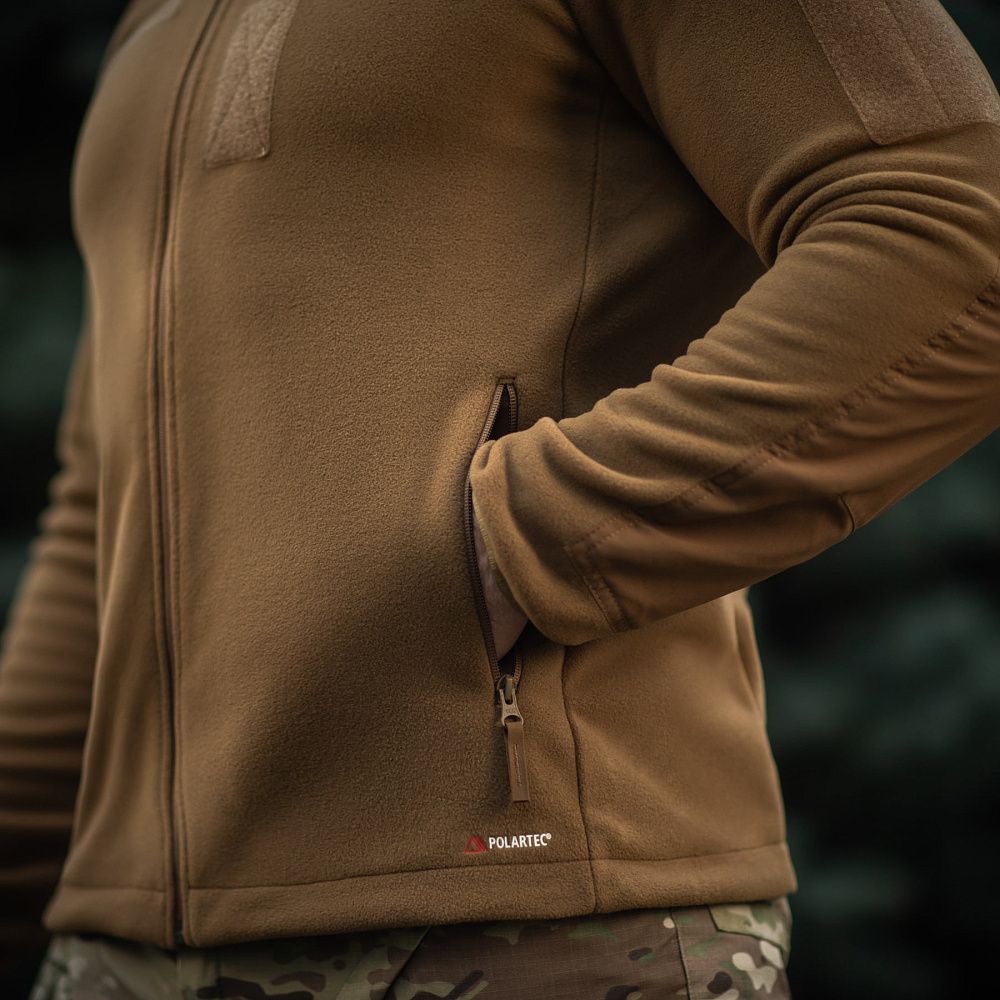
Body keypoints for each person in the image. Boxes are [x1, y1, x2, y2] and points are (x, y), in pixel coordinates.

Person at [3, 0, 999, 996]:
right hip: (116, 955)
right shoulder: (153, 19)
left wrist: (548, 537)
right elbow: (107, 499)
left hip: (532, 926)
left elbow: (959, 223)